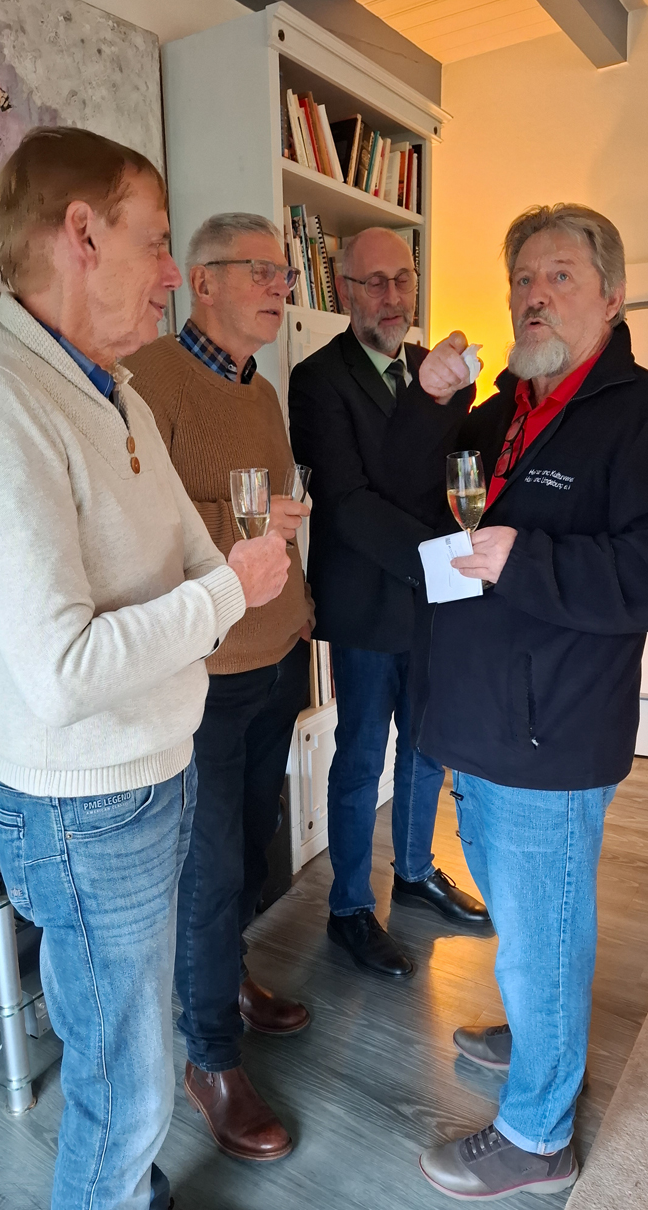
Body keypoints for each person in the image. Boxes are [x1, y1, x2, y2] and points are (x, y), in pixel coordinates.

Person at [0, 128, 290, 1210]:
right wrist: (228, 591)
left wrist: (221, 582)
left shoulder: (119, 394)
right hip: (85, 804)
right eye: (156, 241)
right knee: (126, 1085)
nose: (172, 274)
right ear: (81, 235)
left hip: (154, 768)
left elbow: (195, 554)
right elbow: (61, 672)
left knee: (130, 1059)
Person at [415, 204, 648, 1200]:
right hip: (483, 715)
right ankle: (541, 1034)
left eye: (558, 275)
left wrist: (527, 557)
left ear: (611, 295)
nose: (533, 295)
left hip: (552, 728)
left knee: (544, 924)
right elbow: (428, 505)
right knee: (528, 912)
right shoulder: (498, 410)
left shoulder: (637, 415)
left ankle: (537, 1138)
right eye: (522, 278)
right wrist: (429, 401)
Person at [126, 213, 313, 1163]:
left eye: (284, 274)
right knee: (207, 874)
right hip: (205, 674)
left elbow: (271, 528)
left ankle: (228, 981)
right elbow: (139, 524)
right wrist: (248, 516)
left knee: (248, 848)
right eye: (262, 272)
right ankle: (210, 1059)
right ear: (202, 282)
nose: (281, 287)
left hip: (277, 655)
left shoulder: (264, 390)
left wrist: (298, 602)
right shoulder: (148, 380)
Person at [289, 226, 489, 979]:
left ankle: (412, 871)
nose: (392, 296)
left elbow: (456, 478)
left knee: (428, 748)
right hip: (368, 604)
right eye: (373, 282)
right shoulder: (317, 379)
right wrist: (442, 562)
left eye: (402, 279)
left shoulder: (437, 372)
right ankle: (348, 908)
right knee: (361, 756)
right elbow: (347, 504)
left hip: (432, 605)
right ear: (345, 290)